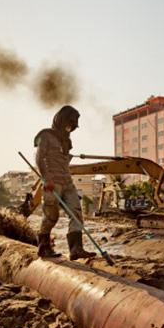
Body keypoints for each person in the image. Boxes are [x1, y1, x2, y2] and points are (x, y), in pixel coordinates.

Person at [34, 105, 96, 260]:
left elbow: (63, 160)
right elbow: (39, 158)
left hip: (68, 182)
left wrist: (68, 158)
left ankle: (76, 249)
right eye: (69, 124)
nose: (70, 128)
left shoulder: (66, 141)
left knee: (76, 213)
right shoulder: (45, 135)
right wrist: (46, 178)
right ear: (61, 120)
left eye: (73, 126)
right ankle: (43, 247)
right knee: (51, 217)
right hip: (52, 182)